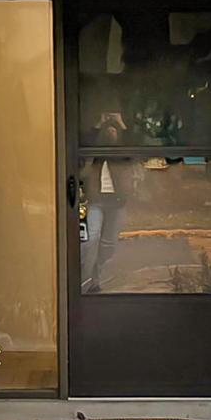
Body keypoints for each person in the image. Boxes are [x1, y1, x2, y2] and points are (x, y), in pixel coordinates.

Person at [80, 109, 132, 293]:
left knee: (109, 244)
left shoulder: (121, 155)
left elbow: (132, 148)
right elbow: (84, 143)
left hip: (116, 202)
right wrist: (98, 124)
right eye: (108, 130)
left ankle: (96, 278)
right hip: (96, 201)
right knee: (91, 238)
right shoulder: (96, 154)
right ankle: (83, 280)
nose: (111, 132)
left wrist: (122, 124)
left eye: (114, 130)